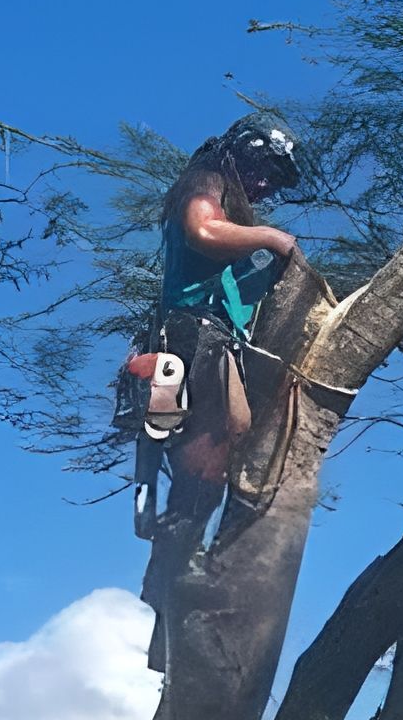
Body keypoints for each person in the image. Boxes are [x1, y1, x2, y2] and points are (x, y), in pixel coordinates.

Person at [124, 113, 302, 542]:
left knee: (214, 461)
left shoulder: (230, 207)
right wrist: (273, 239)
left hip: (205, 338)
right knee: (219, 446)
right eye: (265, 174)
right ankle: (180, 543)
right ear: (244, 158)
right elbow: (202, 229)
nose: (266, 187)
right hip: (197, 336)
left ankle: (178, 542)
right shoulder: (207, 179)